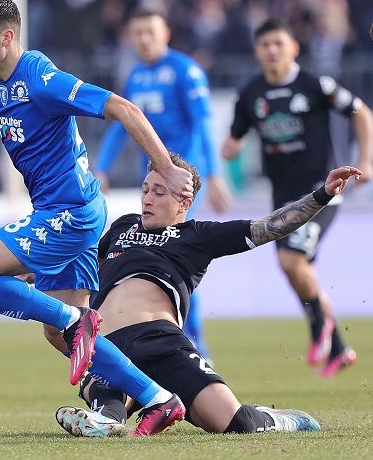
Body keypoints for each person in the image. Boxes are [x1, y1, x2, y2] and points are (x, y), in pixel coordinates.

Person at [0, 0, 194, 436]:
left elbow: (125, 109)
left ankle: (78, 322)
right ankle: (157, 398)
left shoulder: (42, 79)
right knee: (56, 332)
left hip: (72, 212)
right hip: (58, 211)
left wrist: (166, 167)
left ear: (7, 37)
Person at [55, 154, 360, 437]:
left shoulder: (198, 235)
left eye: (159, 193)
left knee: (233, 422)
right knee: (111, 400)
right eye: (146, 190)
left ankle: (277, 418)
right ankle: (106, 419)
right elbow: (79, 264)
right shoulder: (123, 227)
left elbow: (271, 227)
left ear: (183, 202)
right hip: (105, 343)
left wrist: (322, 195)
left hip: (162, 342)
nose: (147, 199)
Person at [221, 18, 373, 377]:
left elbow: (360, 111)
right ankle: (337, 347)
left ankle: (321, 327)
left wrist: (366, 160)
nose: (272, 50)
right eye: (265, 45)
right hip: (284, 201)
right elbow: (235, 137)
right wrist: (231, 148)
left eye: (278, 43)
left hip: (323, 192)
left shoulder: (316, 85)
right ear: (257, 51)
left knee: (292, 263)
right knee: (296, 269)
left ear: (294, 48)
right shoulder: (250, 95)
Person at [93, 8, 232, 362]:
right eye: (137, 33)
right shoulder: (137, 76)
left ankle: (194, 344)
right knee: (162, 259)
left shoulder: (185, 70)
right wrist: (103, 168)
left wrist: (213, 176)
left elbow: (202, 123)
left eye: (150, 32)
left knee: (173, 257)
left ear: (166, 33)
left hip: (183, 181)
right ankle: (185, 341)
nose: (144, 39)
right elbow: (120, 125)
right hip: (154, 185)